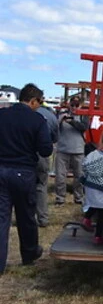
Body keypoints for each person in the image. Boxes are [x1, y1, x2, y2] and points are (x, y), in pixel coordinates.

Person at [0, 83, 53, 273]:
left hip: (1, 169)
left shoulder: (2, 114)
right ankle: (29, 253)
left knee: (2, 219)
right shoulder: (37, 120)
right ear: (33, 101)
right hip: (23, 172)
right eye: (39, 102)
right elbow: (46, 150)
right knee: (26, 217)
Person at [55, 96, 88, 205]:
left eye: (76, 105)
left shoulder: (84, 115)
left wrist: (71, 121)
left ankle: (78, 198)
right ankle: (60, 198)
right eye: (72, 104)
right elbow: (54, 127)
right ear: (69, 104)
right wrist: (60, 119)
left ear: (81, 105)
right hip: (62, 150)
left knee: (79, 176)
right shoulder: (62, 114)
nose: (74, 107)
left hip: (78, 150)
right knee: (60, 176)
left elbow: (84, 127)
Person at [35, 102, 59, 227]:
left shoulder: (28, 114)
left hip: (25, 154)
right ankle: (43, 218)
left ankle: (27, 218)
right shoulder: (51, 116)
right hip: (42, 155)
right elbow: (55, 138)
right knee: (41, 186)